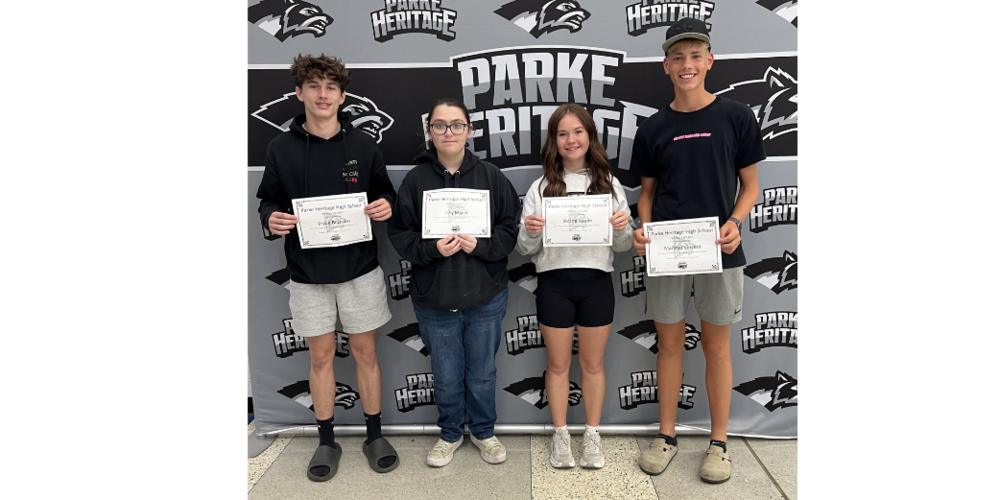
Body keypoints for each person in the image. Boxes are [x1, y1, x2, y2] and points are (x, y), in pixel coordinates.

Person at [630, 19, 765, 483]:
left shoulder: (737, 117)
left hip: (720, 252)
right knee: (668, 346)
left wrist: (734, 223)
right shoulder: (653, 128)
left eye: (695, 56)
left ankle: (719, 443)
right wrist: (644, 229)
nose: (686, 65)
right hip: (667, 254)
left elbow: (750, 186)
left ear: (709, 61)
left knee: (717, 347)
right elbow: (645, 195)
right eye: (678, 57)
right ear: (666, 66)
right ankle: (666, 436)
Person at [256, 54, 400, 481]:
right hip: (306, 275)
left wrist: (384, 206)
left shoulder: (363, 145)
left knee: (366, 353)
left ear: (341, 95)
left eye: (331, 87)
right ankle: (326, 441)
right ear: (299, 93)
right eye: (314, 86)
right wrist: (270, 219)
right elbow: (267, 200)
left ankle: (374, 434)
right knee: (320, 359)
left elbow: (386, 195)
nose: (323, 95)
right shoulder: (280, 148)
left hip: (360, 270)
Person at [387, 98, 521, 468]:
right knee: (445, 374)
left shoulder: (491, 176)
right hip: (434, 297)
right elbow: (400, 233)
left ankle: (483, 431)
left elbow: (510, 228)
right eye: (440, 125)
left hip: (485, 294)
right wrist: (430, 249)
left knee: (482, 371)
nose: (449, 132)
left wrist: (483, 245)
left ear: (470, 131)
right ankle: (449, 433)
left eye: (457, 125)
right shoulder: (416, 181)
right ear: (429, 132)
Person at [516, 104, 634, 469]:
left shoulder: (608, 184)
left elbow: (624, 245)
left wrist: (619, 226)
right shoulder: (540, 186)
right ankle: (561, 435)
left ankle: (592, 435)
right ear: (554, 140)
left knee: (593, 364)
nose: (571, 140)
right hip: (554, 283)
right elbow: (524, 248)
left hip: (596, 281)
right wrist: (530, 231)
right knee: (557, 364)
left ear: (590, 136)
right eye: (563, 133)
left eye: (578, 132)